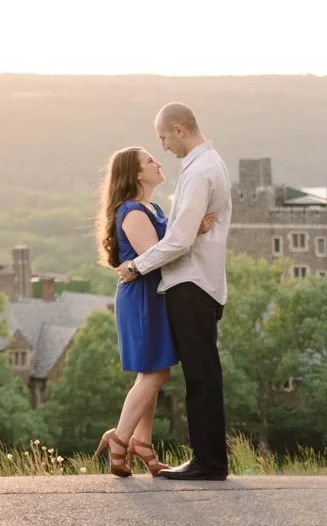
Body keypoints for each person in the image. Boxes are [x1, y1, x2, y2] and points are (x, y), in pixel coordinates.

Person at [116, 102, 233, 480]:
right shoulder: (206, 166)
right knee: (202, 374)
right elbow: (185, 232)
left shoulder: (200, 171)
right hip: (200, 282)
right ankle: (208, 460)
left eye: (164, 138)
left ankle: (208, 463)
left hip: (192, 283)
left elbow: (179, 240)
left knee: (201, 376)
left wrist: (136, 266)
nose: (163, 147)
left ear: (180, 130)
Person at [94, 145, 216, 475]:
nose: (157, 162)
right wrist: (192, 231)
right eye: (149, 160)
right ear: (135, 173)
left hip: (154, 294)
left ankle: (142, 442)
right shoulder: (133, 211)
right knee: (156, 373)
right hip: (143, 298)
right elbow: (155, 255)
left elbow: (166, 246)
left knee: (151, 371)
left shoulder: (153, 208)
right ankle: (120, 438)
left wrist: (192, 230)